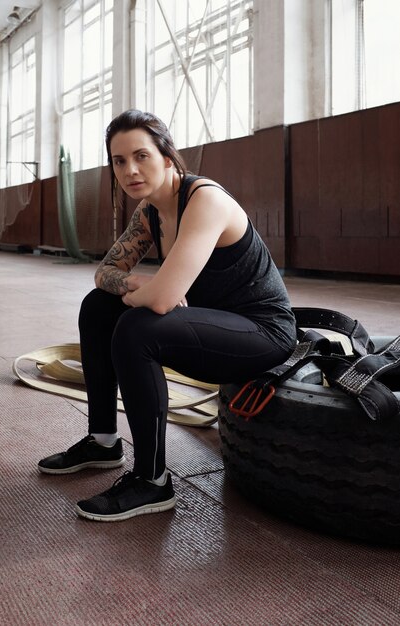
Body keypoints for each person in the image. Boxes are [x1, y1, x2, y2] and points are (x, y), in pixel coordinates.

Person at [38, 109, 297, 522]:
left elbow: (162, 303)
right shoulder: (150, 213)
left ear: (167, 156)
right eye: (119, 161)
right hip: (211, 324)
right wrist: (135, 285)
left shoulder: (205, 200)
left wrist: (150, 293)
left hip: (263, 334)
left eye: (141, 155)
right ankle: (104, 440)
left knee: (138, 329)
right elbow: (104, 273)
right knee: (97, 306)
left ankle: (152, 480)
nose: (130, 170)